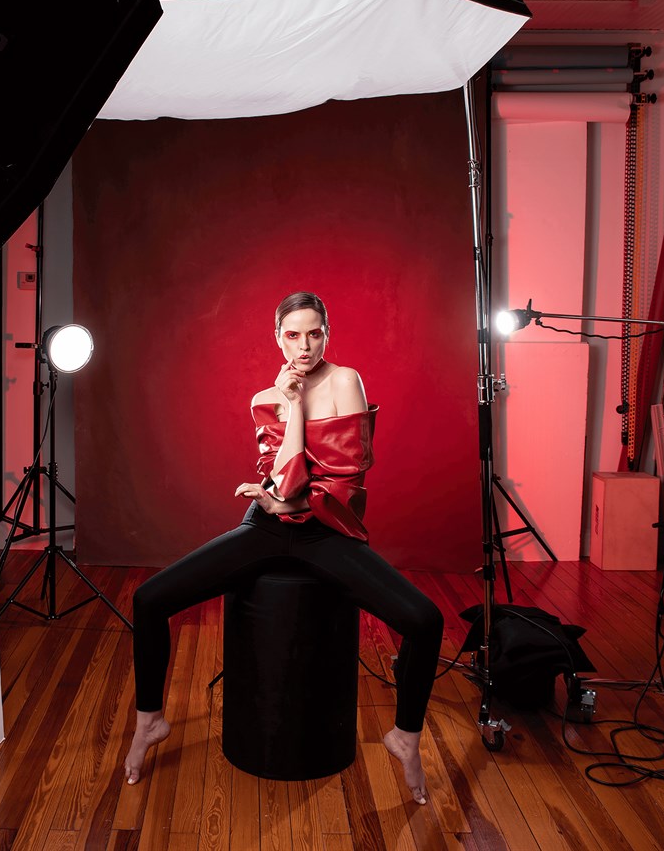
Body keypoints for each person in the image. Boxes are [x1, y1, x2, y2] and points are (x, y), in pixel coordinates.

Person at [122, 291, 444, 804]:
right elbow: (286, 478)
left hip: (326, 532)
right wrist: (292, 408)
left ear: (327, 334)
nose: (304, 346)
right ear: (277, 338)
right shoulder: (265, 398)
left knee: (425, 620)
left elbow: (346, 480)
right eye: (293, 335)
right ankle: (149, 720)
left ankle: (405, 736)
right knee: (148, 599)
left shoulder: (346, 381)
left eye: (314, 333)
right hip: (267, 528)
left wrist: (284, 496)